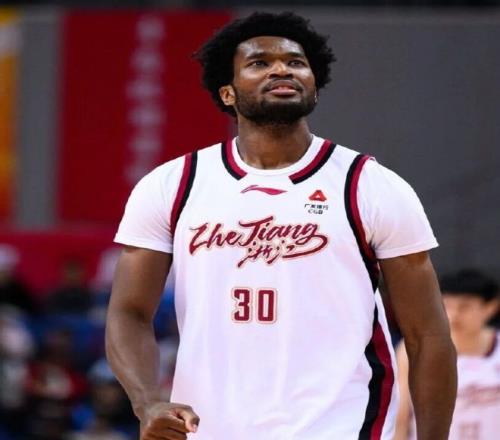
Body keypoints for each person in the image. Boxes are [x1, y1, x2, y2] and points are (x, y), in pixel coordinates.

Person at [106, 11, 456, 440]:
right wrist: (146, 402)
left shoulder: (370, 185)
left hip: (342, 425)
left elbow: (427, 335)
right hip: (208, 426)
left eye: (295, 62)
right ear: (228, 92)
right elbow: (129, 312)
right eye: (260, 63)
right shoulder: (173, 184)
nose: (281, 69)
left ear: (314, 84)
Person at [395, 269, 500, 440]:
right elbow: (400, 417)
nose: (454, 315)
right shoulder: (416, 350)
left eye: (464, 307)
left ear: (490, 307)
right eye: (447, 306)